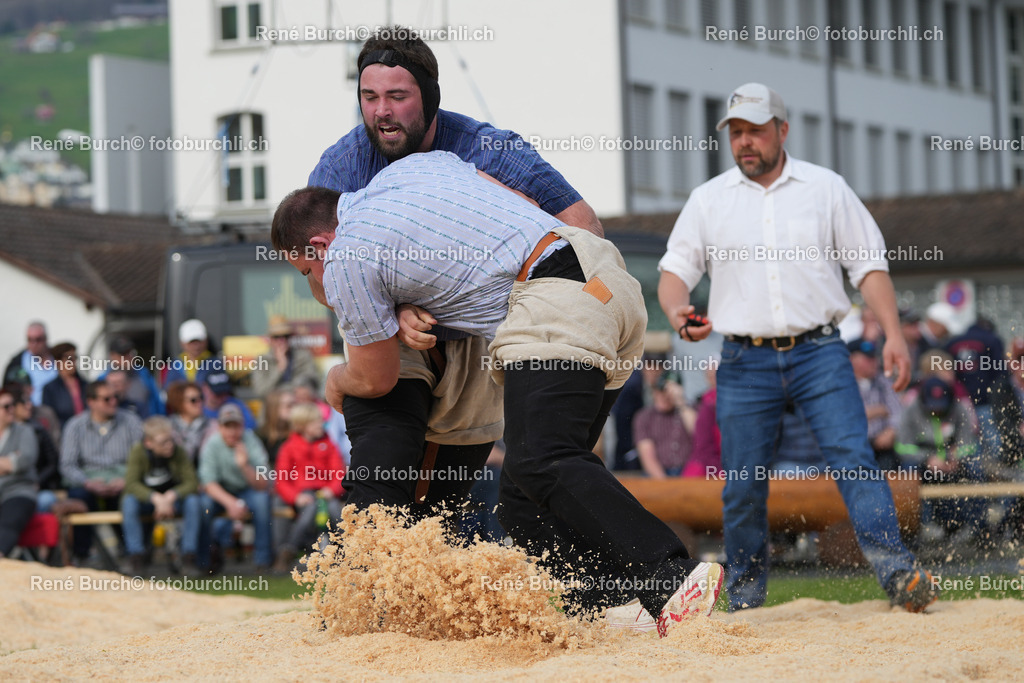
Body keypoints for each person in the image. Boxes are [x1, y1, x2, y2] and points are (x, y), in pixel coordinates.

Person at [272, 150, 722, 637]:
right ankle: (615, 605)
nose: (316, 285)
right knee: (521, 499)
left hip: (553, 296)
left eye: (305, 271)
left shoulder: (345, 256)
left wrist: (335, 379)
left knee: (542, 460)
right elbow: (491, 211)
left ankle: (669, 576)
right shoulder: (416, 169)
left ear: (320, 244)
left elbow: (374, 379)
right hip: (609, 283)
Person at [657, 82, 937, 612]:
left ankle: (900, 575)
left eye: (756, 131)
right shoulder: (708, 199)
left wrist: (895, 334)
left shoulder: (826, 188)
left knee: (854, 462)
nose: (745, 142)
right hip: (743, 359)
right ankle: (744, 600)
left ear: (782, 131)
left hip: (820, 353)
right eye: (736, 133)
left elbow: (868, 266)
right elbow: (674, 274)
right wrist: (676, 312)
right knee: (742, 485)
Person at [306, 27, 603, 526]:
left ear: (430, 97)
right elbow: (319, 271)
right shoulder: (342, 164)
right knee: (383, 462)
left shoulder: (489, 148)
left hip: (482, 334)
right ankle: (363, 582)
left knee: (446, 502)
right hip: (394, 333)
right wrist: (393, 310)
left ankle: (442, 590)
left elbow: (584, 228)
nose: (381, 111)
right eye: (370, 96)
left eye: (398, 97)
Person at [59, 379, 144, 564]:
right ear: (91, 402)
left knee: (132, 497)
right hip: (88, 483)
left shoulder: (131, 421)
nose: (113, 402)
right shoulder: (75, 426)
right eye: (107, 399)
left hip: (123, 482)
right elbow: (67, 465)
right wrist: (87, 482)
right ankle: (83, 555)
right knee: (79, 498)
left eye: (115, 397)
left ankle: (133, 555)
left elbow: (142, 460)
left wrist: (126, 480)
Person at [896, 377, 986, 543]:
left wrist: (955, 457)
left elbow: (970, 444)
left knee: (975, 468)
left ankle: (978, 529)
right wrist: (928, 459)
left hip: (952, 463)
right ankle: (915, 530)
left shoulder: (959, 409)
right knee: (908, 472)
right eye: (932, 406)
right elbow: (902, 447)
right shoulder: (910, 410)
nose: (936, 411)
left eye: (940, 406)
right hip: (923, 464)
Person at [271, 402, 345, 573]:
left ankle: (345, 552)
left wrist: (331, 490)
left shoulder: (329, 445)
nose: (322, 424)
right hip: (302, 495)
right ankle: (288, 550)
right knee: (309, 510)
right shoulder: (289, 448)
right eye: (316, 421)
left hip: (326, 494)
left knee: (335, 511)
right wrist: (295, 497)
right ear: (302, 426)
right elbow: (282, 480)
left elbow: (339, 473)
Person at [121, 416, 201, 573]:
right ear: (148, 443)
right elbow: (131, 484)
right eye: (163, 442)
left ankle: (188, 556)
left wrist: (172, 496)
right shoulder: (138, 452)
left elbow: (192, 482)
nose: (169, 445)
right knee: (129, 502)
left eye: (170, 440)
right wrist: (155, 498)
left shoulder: (178, 451)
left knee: (193, 501)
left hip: (173, 501)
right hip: (148, 501)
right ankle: (136, 557)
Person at [197, 403, 272, 571]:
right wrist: (231, 503)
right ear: (219, 427)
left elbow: (263, 484)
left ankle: (263, 561)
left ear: (242, 426)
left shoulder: (251, 441)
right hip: (221, 491)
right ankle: (203, 559)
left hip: (248, 490)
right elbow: (208, 483)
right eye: (227, 426)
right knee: (203, 505)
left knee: (262, 501)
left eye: (235, 426)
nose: (232, 431)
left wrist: (245, 466)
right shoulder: (212, 443)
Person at [848, 338, 903, 470]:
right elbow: (846, 417)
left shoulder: (884, 382)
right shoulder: (843, 384)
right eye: (868, 359)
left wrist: (891, 431)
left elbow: (898, 412)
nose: (875, 362)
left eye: (874, 358)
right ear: (852, 360)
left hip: (883, 447)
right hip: (853, 449)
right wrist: (878, 410)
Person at [9, 383, 61, 513]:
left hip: (36, 488)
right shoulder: (4, 433)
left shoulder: (39, 430)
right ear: (12, 408)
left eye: (29, 401)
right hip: (8, 489)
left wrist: (37, 481)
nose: (29, 405)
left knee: (46, 500)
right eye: (24, 403)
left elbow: (52, 462)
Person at [0, 386, 38, 558]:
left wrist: (13, 462)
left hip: (19, 491)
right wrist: (9, 461)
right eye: (6, 406)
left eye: (13, 405)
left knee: (9, 520)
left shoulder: (24, 431)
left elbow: (24, 460)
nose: (12, 409)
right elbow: (13, 463)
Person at [632, 372, 694, 478]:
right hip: (657, 473)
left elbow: (699, 434)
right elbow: (647, 456)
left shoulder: (689, 411)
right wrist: (665, 484)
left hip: (688, 472)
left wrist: (680, 402)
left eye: (667, 392)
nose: (663, 395)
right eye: (659, 391)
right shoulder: (644, 416)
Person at [249, 316, 320, 398]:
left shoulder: (303, 356)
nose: (282, 341)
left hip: (299, 405)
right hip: (273, 407)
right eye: (277, 337)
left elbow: (313, 382)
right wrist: (280, 369)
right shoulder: (262, 360)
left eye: (285, 336)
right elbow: (260, 391)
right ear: (271, 339)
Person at [101, 336, 163, 418]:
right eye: (123, 354)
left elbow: (157, 401)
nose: (128, 357)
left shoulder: (144, 374)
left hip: (144, 425)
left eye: (130, 353)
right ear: (112, 355)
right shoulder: (103, 379)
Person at [4, 321, 58, 406]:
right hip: (28, 412)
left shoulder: (58, 358)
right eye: (30, 340)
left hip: (57, 411)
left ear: (46, 339)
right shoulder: (17, 362)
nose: (34, 344)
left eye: (38, 340)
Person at [165, 381, 213, 465]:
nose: (199, 403)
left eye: (201, 397)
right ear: (179, 402)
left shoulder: (212, 426)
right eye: (193, 400)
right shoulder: (167, 427)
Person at [41, 342, 87, 429]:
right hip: (63, 435)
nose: (73, 362)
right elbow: (48, 419)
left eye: (75, 358)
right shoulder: (50, 389)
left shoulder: (85, 385)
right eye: (69, 359)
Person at [164, 319, 220, 388]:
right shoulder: (176, 364)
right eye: (191, 342)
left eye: (199, 341)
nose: (196, 346)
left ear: (206, 341)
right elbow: (168, 390)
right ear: (182, 343)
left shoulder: (216, 363)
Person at [257, 387, 295, 467]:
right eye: (289, 405)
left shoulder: (297, 434)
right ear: (274, 408)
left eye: (294, 404)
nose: (294, 409)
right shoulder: (259, 436)